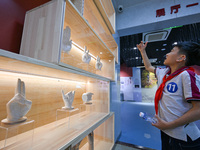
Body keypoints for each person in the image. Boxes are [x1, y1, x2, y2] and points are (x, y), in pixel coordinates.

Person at [137, 41, 200, 150]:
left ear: (181, 58)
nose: (167, 54)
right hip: (166, 131)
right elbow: (148, 67)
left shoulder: (187, 75)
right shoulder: (164, 72)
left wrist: (169, 125)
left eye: (171, 51)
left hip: (183, 137)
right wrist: (142, 51)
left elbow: (198, 110)